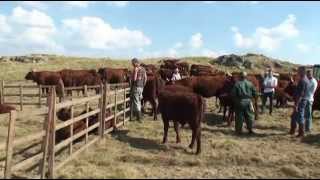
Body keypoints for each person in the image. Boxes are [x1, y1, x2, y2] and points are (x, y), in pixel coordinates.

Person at [289, 66, 309, 137]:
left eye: (298, 70)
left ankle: (301, 132)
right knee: (294, 116)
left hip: (301, 101)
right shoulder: (303, 79)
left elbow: (301, 94)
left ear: (302, 71)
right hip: (300, 100)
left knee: (300, 116)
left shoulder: (303, 81)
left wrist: (296, 104)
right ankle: (292, 130)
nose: (297, 72)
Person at [130, 58, 147, 122]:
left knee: (136, 102)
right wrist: (143, 85)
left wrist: (135, 72)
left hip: (136, 87)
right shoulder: (143, 69)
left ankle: (139, 117)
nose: (132, 64)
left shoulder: (135, 69)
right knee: (139, 101)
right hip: (141, 87)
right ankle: (138, 116)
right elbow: (145, 78)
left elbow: (134, 79)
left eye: (132, 63)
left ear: (135, 63)